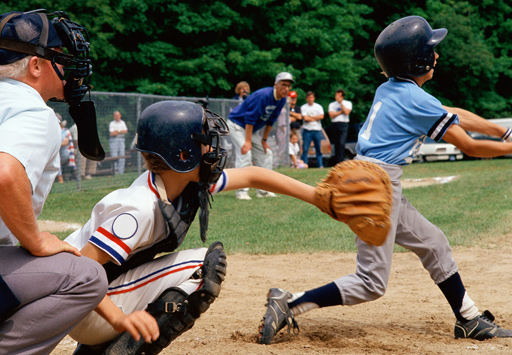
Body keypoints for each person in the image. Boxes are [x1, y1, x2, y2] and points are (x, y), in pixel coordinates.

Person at [258, 15, 512, 345]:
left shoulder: (393, 88)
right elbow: (468, 145)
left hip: (371, 177)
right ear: (418, 60)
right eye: (431, 50)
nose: (437, 54)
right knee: (372, 282)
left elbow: (450, 112)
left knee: (434, 243)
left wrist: (501, 129)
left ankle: (469, 319)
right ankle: (289, 302)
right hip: (375, 186)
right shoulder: (416, 99)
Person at [66, 100, 331, 354]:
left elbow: (253, 175)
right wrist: (117, 319)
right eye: (205, 141)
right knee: (201, 267)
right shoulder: (140, 209)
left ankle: (96, 349)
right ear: (183, 155)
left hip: (92, 300)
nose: (213, 148)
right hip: (86, 307)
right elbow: (79, 275)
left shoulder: (178, 181)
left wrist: (318, 197)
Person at [0, 10, 107, 354]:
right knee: (86, 277)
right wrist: (34, 239)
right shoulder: (31, 109)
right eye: (60, 58)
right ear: (35, 66)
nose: (70, 67)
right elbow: (4, 175)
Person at [227, 71, 294, 200]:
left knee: (267, 153)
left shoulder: (282, 99)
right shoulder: (263, 95)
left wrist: (263, 140)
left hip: (249, 128)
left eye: (289, 86)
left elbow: (271, 121)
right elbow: (249, 119)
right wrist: (247, 142)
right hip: (237, 124)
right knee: (245, 152)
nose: (286, 88)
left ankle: (263, 190)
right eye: (284, 85)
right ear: (276, 84)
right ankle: (241, 191)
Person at [300, 91, 325, 168]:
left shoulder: (318, 106)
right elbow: (305, 118)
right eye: (309, 97)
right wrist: (316, 118)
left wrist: (310, 117)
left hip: (317, 130)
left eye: (312, 97)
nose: (310, 99)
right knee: (305, 149)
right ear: (307, 98)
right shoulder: (303, 107)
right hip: (307, 130)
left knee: (318, 149)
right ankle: (304, 165)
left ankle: (320, 165)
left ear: (314, 98)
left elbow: (321, 116)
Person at [328, 89, 353, 163]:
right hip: (335, 124)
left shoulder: (348, 103)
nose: (336, 97)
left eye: (338, 95)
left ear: (342, 96)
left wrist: (341, 104)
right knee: (336, 143)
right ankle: (337, 161)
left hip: (344, 124)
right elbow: (332, 115)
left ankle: (341, 160)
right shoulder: (332, 104)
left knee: (342, 143)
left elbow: (346, 112)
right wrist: (341, 111)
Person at [109, 110, 128, 174]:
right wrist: (121, 131)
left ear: (120, 116)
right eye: (115, 115)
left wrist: (117, 131)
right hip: (114, 140)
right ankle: (115, 172)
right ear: (114, 116)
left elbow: (125, 131)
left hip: (121, 140)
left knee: (122, 156)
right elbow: (112, 133)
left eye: (118, 115)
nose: (117, 116)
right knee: (114, 156)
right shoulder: (112, 123)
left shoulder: (122, 122)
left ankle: (121, 172)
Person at [57, 118, 76, 183]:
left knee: (56, 159)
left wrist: (55, 145)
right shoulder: (50, 131)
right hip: (53, 153)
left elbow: (66, 142)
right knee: (55, 157)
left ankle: (61, 179)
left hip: (63, 154)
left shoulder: (64, 131)